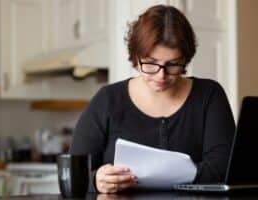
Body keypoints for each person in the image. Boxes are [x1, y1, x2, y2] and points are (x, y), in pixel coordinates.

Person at [70, 5, 235, 194]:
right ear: (136, 56)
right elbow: (74, 173)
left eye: (173, 64)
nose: (161, 75)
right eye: (150, 63)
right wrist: (96, 180)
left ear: (185, 59)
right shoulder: (107, 100)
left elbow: (223, 170)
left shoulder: (209, 95)